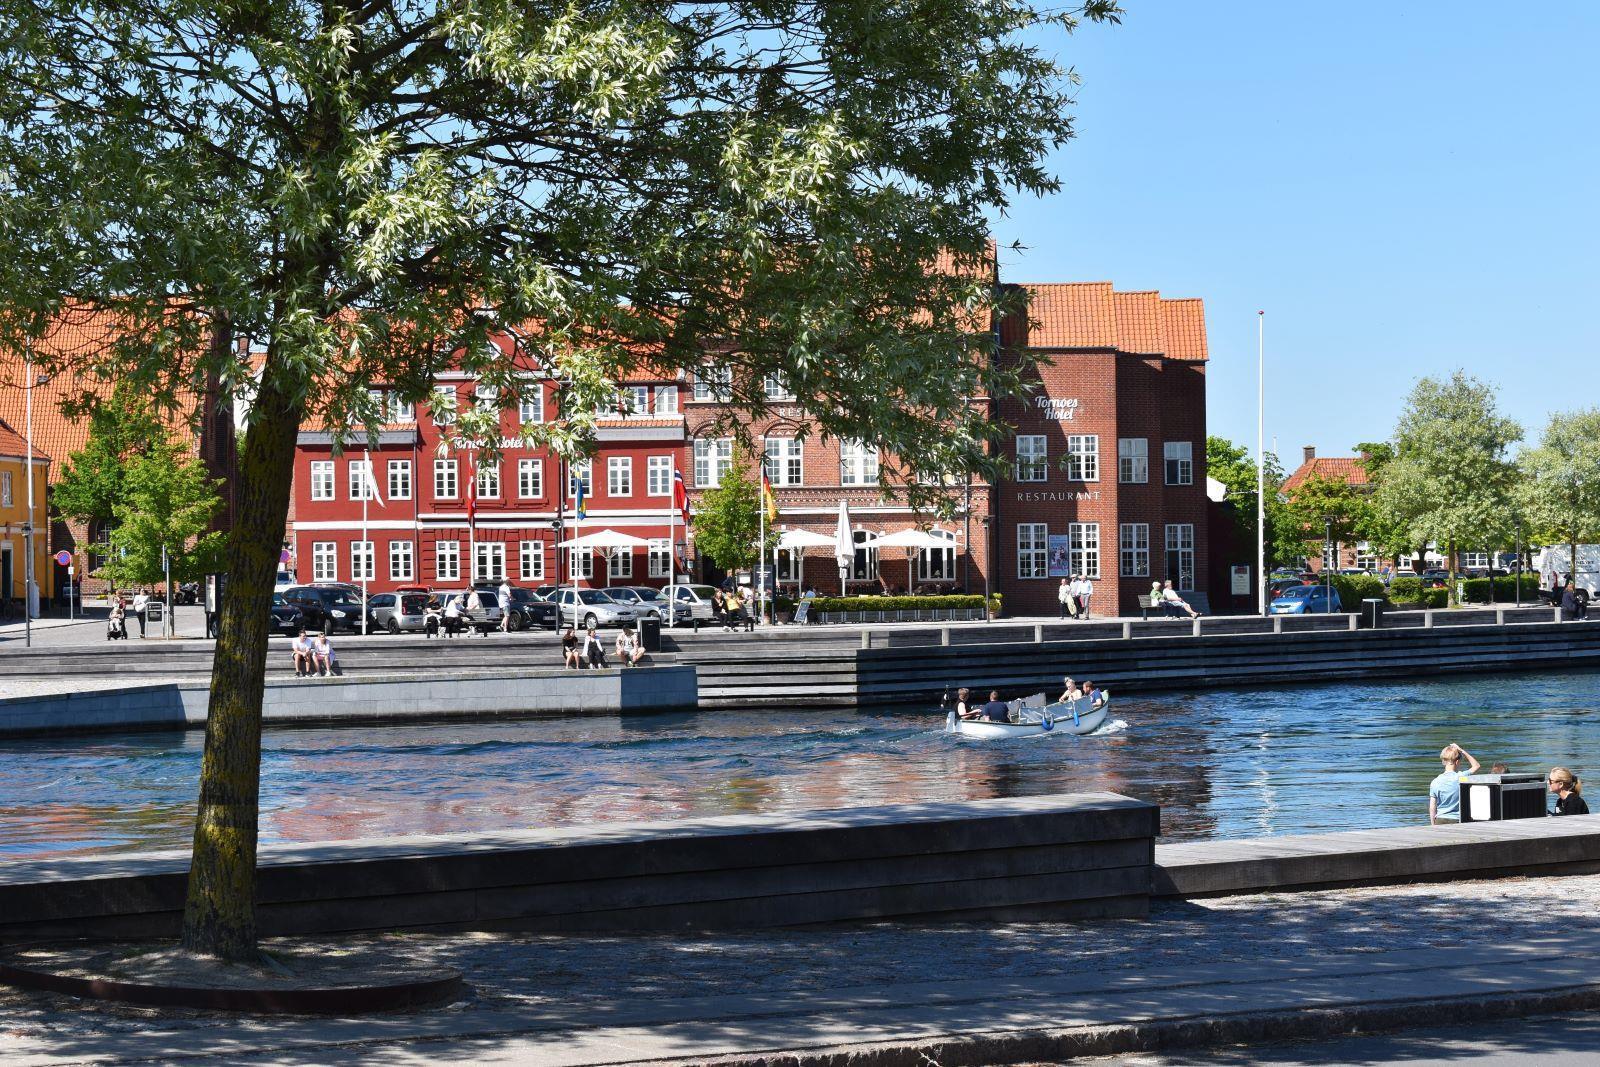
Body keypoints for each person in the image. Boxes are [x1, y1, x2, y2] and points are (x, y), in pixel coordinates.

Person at [1429, 743, 1480, 824]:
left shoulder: (1435, 782)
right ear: (1457, 762)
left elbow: (1432, 807)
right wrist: (1462, 751)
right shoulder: (1461, 777)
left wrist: (1433, 824)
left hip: (1439, 820)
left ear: (1443, 762)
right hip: (1457, 820)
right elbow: (1476, 766)